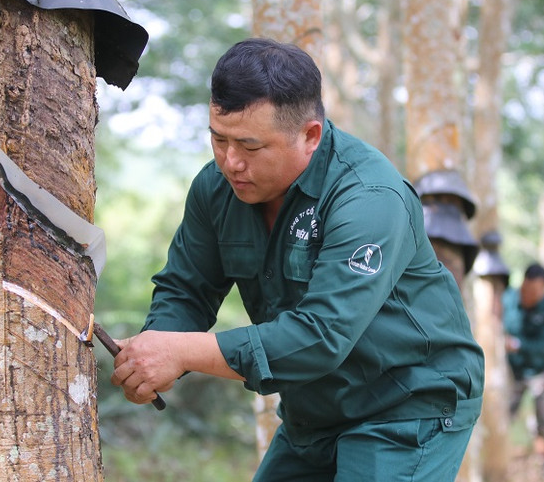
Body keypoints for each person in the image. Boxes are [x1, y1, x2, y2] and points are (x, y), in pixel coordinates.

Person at [110, 37, 485, 481]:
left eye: (250, 147)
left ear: (310, 135)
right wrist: (152, 354)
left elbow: (323, 334)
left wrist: (183, 352)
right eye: (218, 139)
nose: (230, 163)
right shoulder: (215, 189)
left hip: (408, 404)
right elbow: (187, 287)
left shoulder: (368, 197)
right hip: (316, 409)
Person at [503, 262, 544, 473]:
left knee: (543, 418)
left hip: (543, 370)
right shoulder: (508, 299)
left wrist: (517, 345)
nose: (532, 296)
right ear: (523, 284)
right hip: (514, 371)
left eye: (538, 292)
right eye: (529, 290)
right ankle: (499, 456)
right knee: (504, 413)